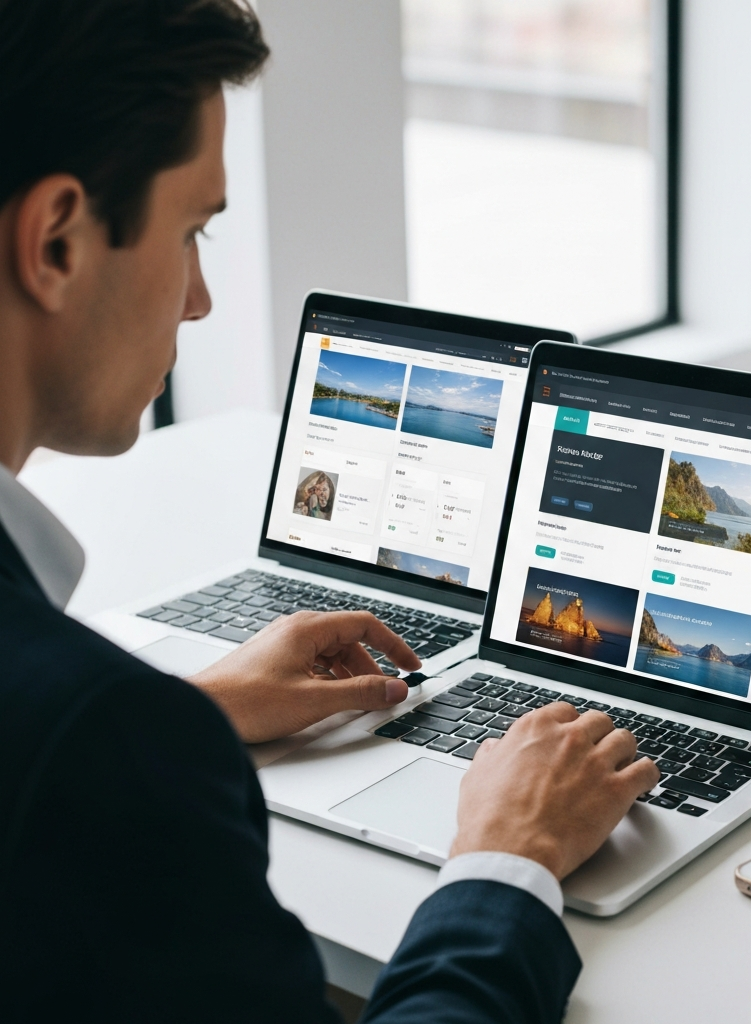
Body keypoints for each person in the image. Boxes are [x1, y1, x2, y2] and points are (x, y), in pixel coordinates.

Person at [0, 2, 660, 1022]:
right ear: (52, 242)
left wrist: (202, 714)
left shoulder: (101, 738)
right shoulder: (104, 743)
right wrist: (506, 861)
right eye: (191, 232)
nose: (199, 300)